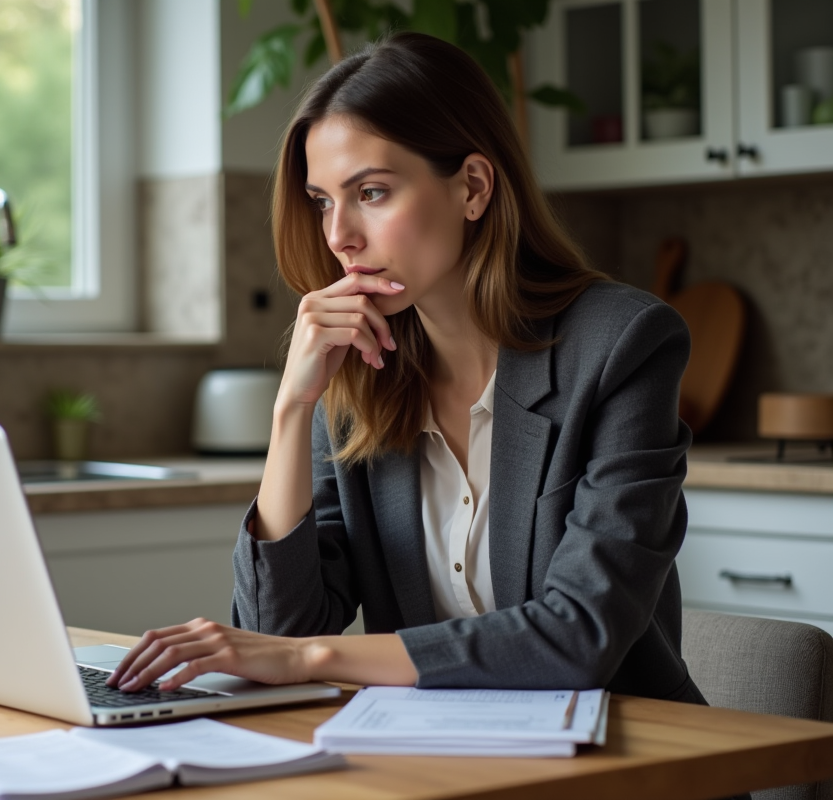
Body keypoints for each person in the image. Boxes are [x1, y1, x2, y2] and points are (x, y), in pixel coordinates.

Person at [107, 32, 704, 706]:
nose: (339, 236)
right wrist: (291, 408)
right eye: (324, 200)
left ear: (473, 188)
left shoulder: (622, 346)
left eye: (372, 191)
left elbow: (579, 637)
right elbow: (277, 629)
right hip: (437, 755)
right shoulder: (360, 372)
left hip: (634, 757)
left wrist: (313, 657)